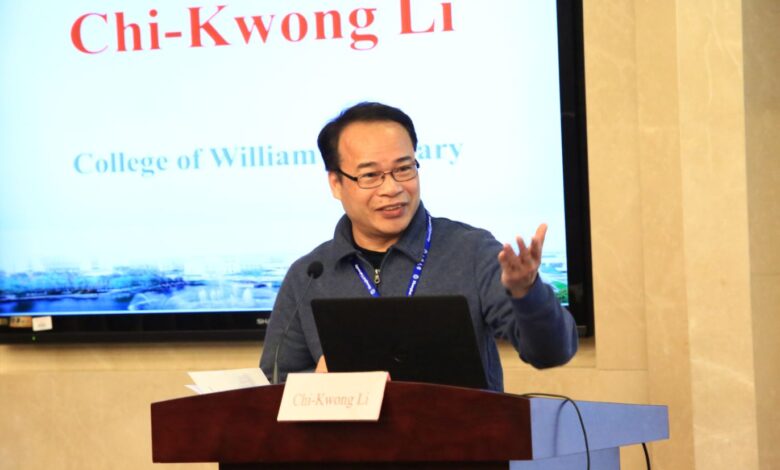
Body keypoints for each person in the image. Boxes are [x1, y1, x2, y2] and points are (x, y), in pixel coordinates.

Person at [259, 102, 578, 391]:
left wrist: (527, 292)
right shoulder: (309, 275)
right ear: (336, 183)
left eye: (404, 168)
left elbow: (552, 352)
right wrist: (316, 387)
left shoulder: (471, 251)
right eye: (370, 175)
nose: (392, 188)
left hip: (464, 435)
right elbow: (274, 384)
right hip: (351, 437)